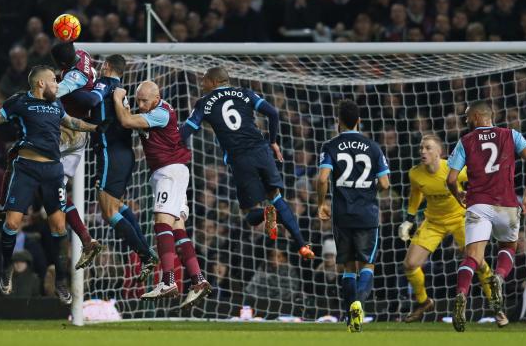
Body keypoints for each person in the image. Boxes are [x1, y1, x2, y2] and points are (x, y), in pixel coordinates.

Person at [0, 65, 109, 304]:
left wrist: (96, 128)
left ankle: (61, 281)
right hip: (26, 169)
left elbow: (72, 123)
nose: (58, 84)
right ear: (40, 84)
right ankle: (6, 268)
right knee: (12, 223)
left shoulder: (56, 104)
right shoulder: (19, 102)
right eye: (54, 81)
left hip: (53, 171)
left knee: (58, 228)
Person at [0, 43, 103, 270]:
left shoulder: (67, 83)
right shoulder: (83, 56)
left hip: (66, 132)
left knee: (19, 156)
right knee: (57, 188)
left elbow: (47, 97)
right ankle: (86, 239)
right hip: (79, 136)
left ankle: (2, 205)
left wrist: (22, 103)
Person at [181, 66, 314, 260]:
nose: (202, 84)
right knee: (276, 196)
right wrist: (274, 142)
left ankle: (268, 212)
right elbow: (274, 114)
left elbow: (186, 132)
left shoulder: (204, 103)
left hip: (239, 159)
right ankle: (302, 244)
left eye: (204, 80)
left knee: (250, 214)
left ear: (214, 82)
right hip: (262, 151)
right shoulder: (245, 93)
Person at [109, 80, 211, 307]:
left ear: (157, 98)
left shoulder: (161, 113)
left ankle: (168, 280)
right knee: (177, 227)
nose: (141, 104)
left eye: (145, 101)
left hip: (169, 172)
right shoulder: (155, 110)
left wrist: (117, 98)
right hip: (172, 172)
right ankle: (198, 279)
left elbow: (126, 120)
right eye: (138, 101)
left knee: (161, 222)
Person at [447, 100, 526, 332]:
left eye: (468, 116)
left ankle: (461, 294)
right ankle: (498, 277)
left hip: (478, 205)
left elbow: (450, 179)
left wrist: (458, 194)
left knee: (472, 256)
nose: (466, 120)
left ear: (478, 116)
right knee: (509, 246)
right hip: (506, 204)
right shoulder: (511, 135)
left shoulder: (465, 142)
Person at [75, 55, 159, 281]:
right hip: (122, 152)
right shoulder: (120, 90)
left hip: (109, 152)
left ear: (107, 66)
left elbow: (91, 100)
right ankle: (146, 252)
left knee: (109, 212)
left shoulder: (105, 83)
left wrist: (69, 90)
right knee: (116, 207)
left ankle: (145, 255)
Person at [399, 135, 493, 323]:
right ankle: (424, 302)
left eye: (428, 148)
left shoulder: (452, 169)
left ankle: (495, 302)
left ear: (438, 153)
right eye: (421, 148)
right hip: (433, 222)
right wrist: (409, 220)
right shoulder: (415, 174)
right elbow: (416, 194)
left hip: (459, 219)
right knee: (409, 265)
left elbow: (480, 177)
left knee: (478, 261)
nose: (423, 151)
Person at [315, 99, 390, 332]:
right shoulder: (373, 147)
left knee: (348, 266)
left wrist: (321, 203)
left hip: (342, 214)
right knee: (367, 264)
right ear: (359, 121)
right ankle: (359, 303)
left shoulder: (330, 146)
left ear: (339, 123)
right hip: (367, 214)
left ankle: (351, 317)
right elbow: (386, 184)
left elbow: (322, 178)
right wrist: (369, 189)